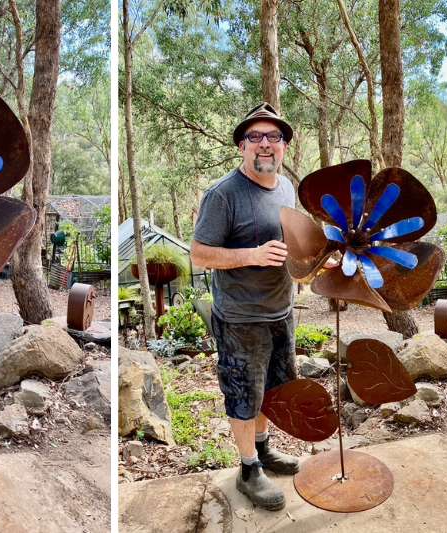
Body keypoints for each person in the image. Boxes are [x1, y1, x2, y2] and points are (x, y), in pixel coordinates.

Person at [190, 103, 298, 511]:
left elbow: (295, 244)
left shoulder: (286, 188)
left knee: (272, 391)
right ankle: (249, 468)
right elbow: (199, 254)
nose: (265, 144)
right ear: (241, 146)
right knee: (243, 395)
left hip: (280, 311)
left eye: (274, 137)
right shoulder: (223, 195)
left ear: (284, 146)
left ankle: (264, 450)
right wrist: (251, 255)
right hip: (240, 318)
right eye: (256, 137)